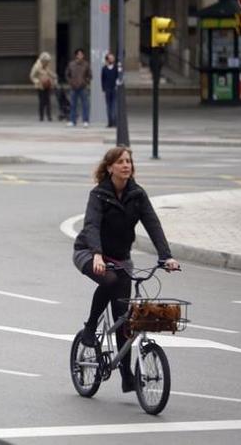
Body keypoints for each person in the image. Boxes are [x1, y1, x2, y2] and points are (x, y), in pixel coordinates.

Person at [73, 146, 180, 392]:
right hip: (89, 252)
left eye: (129, 161)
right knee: (108, 281)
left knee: (125, 320)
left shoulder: (137, 194)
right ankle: (90, 328)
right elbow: (91, 225)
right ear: (110, 167)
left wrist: (166, 257)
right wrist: (97, 254)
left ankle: (127, 376)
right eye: (121, 161)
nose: (126, 165)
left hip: (120, 259)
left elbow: (153, 224)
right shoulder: (99, 194)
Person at [65, 48, 91, 128]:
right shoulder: (71, 64)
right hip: (73, 87)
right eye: (79, 54)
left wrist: (85, 82)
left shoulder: (86, 64)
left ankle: (85, 121)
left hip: (83, 87)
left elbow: (89, 75)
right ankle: (73, 121)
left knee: (85, 104)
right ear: (76, 55)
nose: (80, 56)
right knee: (73, 104)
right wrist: (71, 82)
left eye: (81, 54)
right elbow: (67, 74)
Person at [30, 52, 57, 122]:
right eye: (47, 61)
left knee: (48, 101)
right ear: (43, 60)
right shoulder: (36, 66)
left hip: (47, 85)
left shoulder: (46, 66)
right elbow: (32, 76)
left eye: (48, 61)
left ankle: (49, 116)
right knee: (42, 102)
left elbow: (49, 72)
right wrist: (38, 81)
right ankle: (41, 116)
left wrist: (54, 76)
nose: (48, 63)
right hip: (40, 87)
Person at [101, 53, 119, 128]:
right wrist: (104, 88)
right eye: (110, 58)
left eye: (113, 58)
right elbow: (102, 79)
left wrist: (117, 86)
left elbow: (118, 77)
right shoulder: (104, 68)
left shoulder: (116, 68)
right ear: (107, 59)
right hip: (108, 89)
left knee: (114, 105)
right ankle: (110, 122)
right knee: (108, 106)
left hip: (114, 88)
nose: (112, 59)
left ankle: (115, 121)